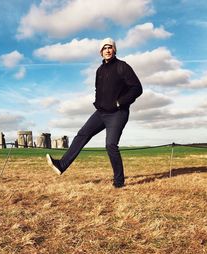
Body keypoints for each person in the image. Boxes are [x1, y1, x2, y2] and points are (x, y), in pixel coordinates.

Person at [46, 37, 142, 188]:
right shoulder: (99, 70)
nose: (107, 50)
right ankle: (61, 165)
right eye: (104, 48)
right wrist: (99, 102)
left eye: (110, 47)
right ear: (100, 52)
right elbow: (98, 89)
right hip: (101, 112)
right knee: (82, 134)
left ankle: (119, 182)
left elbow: (137, 88)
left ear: (114, 49)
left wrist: (119, 102)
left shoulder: (122, 66)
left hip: (118, 113)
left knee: (110, 145)